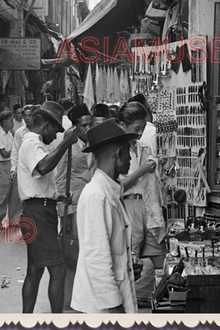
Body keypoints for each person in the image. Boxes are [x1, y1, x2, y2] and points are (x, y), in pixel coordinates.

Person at [71, 118, 141, 313]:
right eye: (128, 152)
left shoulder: (108, 190)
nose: (130, 159)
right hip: (102, 306)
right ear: (118, 153)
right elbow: (96, 258)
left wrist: (127, 263)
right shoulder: (96, 195)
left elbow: (111, 248)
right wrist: (113, 306)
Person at [17, 101, 78, 313]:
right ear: (45, 125)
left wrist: (56, 196)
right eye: (55, 130)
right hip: (37, 214)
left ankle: (27, 319)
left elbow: (38, 183)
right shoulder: (32, 143)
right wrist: (65, 144)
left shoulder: (36, 144)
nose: (55, 136)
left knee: (35, 270)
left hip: (40, 209)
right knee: (58, 269)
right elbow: (42, 167)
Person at [118, 101, 167, 307]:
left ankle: (160, 301)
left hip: (149, 206)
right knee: (130, 260)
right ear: (122, 125)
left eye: (142, 129)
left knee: (160, 257)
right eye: (136, 129)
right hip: (128, 208)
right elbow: (116, 188)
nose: (139, 134)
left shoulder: (145, 148)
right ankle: (127, 306)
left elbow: (152, 184)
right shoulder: (116, 152)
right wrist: (142, 171)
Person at [55, 103, 95, 309]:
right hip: (75, 204)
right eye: (84, 126)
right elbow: (60, 178)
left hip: (92, 204)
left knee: (89, 252)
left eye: (90, 124)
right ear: (75, 128)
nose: (88, 129)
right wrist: (64, 210)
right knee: (72, 254)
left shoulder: (95, 144)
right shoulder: (68, 146)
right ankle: (68, 299)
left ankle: (86, 297)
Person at [0, 110, 21, 229]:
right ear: (4, 122)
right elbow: (4, 153)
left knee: (15, 195)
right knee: (2, 195)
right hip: (3, 166)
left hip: (12, 164)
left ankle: (14, 220)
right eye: (10, 120)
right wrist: (16, 150)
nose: (13, 122)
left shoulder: (10, 134)